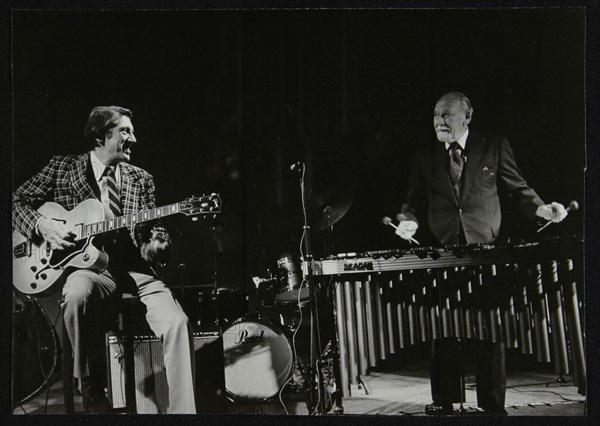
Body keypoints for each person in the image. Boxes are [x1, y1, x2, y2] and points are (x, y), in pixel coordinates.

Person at [13, 106, 197, 414]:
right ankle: (90, 385)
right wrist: (42, 225)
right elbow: (16, 200)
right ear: (101, 135)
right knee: (75, 294)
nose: (133, 138)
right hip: (90, 268)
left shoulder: (141, 179)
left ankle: (185, 412)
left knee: (178, 323)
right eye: (125, 131)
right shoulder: (62, 168)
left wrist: (158, 245)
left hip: (136, 271)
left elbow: (154, 229)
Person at [395, 92, 568, 415]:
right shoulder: (424, 155)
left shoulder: (494, 145)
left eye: (447, 115)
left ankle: (491, 404)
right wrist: (407, 223)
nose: (439, 121)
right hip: (444, 251)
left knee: (491, 327)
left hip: (488, 251)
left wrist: (541, 209)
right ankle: (445, 401)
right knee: (444, 327)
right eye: (435, 115)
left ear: (467, 116)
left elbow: (518, 189)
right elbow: (412, 203)